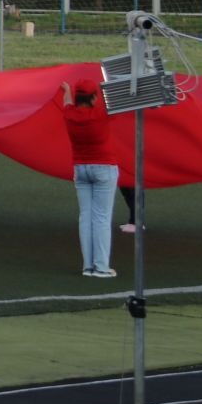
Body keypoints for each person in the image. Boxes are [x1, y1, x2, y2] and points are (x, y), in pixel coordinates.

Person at [60, 80, 118, 278]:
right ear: (94, 97)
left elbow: (67, 101)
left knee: (86, 217)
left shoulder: (70, 115)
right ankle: (101, 266)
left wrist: (66, 89)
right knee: (101, 217)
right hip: (104, 168)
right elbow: (118, 101)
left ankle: (88, 266)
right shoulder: (100, 114)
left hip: (80, 168)